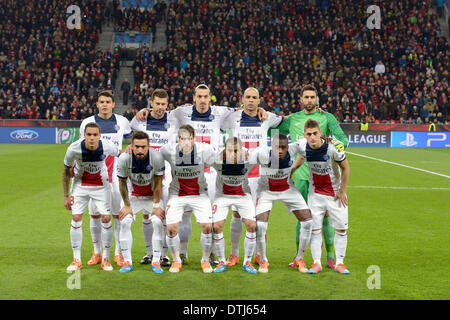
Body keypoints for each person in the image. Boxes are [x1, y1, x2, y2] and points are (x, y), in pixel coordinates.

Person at [136, 84, 268, 265]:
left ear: (210, 98)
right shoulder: (181, 113)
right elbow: (160, 111)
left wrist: (259, 109)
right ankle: (182, 252)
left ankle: (212, 253)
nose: (203, 100)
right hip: (186, 171)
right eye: (199, 96)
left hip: (212, 174)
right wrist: (146, 110)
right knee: (184, 216)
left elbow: (243, 109)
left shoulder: (220, 112)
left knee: (212, 218)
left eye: (206, 96)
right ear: (194, 98)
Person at [270, 84, 349, 269]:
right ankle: (300, 257)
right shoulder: (293, 119)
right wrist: (273, 119)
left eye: (312, 97)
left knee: (328, 216)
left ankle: (330, 256)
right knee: (303, 218)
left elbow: (343, 139)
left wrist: (336, 143)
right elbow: (271, 132)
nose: (309, 100)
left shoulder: (327, 117)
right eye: (306, 97)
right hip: (301, 177)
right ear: (301, 99)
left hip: (324, 176)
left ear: (317, 99)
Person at [220, 87, 283, 267]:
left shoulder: (268, 117)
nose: (250, 100)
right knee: (238, 213)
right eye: (247, 97)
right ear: (242, 99)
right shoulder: (233, 117)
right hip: (239, 174)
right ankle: (233, 254)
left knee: (261, 216)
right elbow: (215, 120)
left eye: (254, 98)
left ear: (259, 100)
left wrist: (318, 111)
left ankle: (259, 253)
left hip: (261, 174)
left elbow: (287, 121)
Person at [79, 90, 133, 268]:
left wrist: (127, 151)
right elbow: (83, 148)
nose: (104, 105)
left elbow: (133, 139)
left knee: (118, 216)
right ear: (97, 104)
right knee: (95, 215)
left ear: (113, 104)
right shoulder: (87, 123)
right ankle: (97, 252)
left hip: (117, 177)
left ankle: (118, 253)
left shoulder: (122, 122)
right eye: (101, 101)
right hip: (96, 177)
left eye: (108, 102)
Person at [294, 119, 350, 274]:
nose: (312, 137)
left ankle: (340, 263)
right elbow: (301, 158)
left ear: (320, 133)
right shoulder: (303, 147)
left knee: (341, 230)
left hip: (335, 195)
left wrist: (342, 190)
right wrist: (292, 170)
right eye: (309, 134)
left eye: (315, 133)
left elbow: (345, 168)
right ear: (304, 135)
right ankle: (316, 263)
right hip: (315, 195)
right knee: (314, 230)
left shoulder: (332, 148)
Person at [63, 122, 121, 271]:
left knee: (106, 218)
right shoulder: (73, 148)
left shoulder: (107, 145)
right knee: (76, 218)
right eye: (89, 135)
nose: (92, 138)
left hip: (101, 186)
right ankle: (76, 260)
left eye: (95, 135)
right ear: (84, 135)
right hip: (80, 185)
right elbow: (65, 171)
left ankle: (106, 259)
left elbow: (119, 153)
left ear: (99, 136)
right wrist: (66, 196)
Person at [160, 125, 216, 273]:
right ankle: (176, 260)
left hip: (200, 195)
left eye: (189, 139)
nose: (186, 142)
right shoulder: (168, 151)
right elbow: (151, 154)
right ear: (178, 139)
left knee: (207, 226)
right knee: (171, 228)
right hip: (177, 195)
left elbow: (220, 161)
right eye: (183, 138)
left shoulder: (205, 150)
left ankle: (205, 260)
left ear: (194, 139)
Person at [253, 134, 313, 273]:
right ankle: (263, 259)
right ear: (271, 146)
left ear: (288, 147)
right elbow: (244, 159)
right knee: (260, 225)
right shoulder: (262, 153)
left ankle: (299, 258)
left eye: (283, 147)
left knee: (308, 222)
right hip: (266, 191)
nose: (280, 150)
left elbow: (309, 142)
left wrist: (325, 140)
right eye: (276, 147)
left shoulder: (294, 148)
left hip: (288, 189)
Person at [130, 88, 176, 267]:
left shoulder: (173, 121)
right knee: (147, 216)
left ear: (167, 105)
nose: (160, 107)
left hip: (165, 177)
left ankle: (163, 255)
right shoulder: (140, 121)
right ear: (151, 103)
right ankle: (149, 253)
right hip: (144, 175)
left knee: (163, 216)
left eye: (163, 104)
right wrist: (143, 111)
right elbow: (131, 127)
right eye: (157, 103)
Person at [116, 131, 165, 273]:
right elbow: (122, 183)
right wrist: (126, 205)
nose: (140, 150)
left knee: (157, 221)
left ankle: (156, 261)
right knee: (124, 222)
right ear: (131, 146)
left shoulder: (156, 157)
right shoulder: (124, 158)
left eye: (143, 147)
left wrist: (156, 205)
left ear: (148, 146)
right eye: (136, 146)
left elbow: (157, 183)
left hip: (151, 197)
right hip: (133, 196)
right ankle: (127, 262)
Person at [210, 137, 259, 274]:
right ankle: (221, 261)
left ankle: (247, 262)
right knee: (217, 226)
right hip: (222, 196)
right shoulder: (216, 160)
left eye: (237, 150)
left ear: (242, 150)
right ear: (225, 150)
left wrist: (249, 152)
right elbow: (201, 155)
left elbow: (264, 153)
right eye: (230, 150)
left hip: (243, 196)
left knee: (252, 225)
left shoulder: (249, 159)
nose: (234, 153)